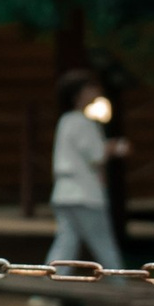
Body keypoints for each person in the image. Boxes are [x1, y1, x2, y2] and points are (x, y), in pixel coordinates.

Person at [49, 69, 126, 271]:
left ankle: (50, 291)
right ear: (78, 94)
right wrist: (116, 147)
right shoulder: (82, 122)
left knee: (66, 243)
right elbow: (96, 155)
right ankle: (120, 287)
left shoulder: (65, 121)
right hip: (84, 194)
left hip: (64, 192)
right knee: (103, 243)